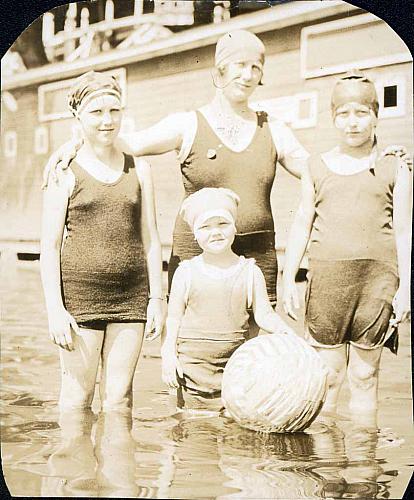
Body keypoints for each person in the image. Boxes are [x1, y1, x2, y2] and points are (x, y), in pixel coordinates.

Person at [43, 30, 310, 313]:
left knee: (254, 356)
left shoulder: (273, 129)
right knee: (192, 351)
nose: (247, 75)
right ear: (220, 70)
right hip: (196, 264)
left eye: (256, 67)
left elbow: (319, 174)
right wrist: (72, 145)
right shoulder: (187, 124)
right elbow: (123, 142)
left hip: (257, 263)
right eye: (240, 65)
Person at [282, 70, 412, 426]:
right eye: (344, 114)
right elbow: (301, 223)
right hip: (328, 280)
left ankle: (362, 470)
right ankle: (326, 466)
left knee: (365, 375)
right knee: (329, 374)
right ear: (333, 117)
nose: (352, 123)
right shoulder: (316, 165)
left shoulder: (396, 165)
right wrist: (287, 276)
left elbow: (404, 231)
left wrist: (406, 290)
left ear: (375, 115)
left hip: (378, 282)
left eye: (361, 113)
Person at [40, 71, 164, 412]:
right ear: (77, 116)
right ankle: (73, 466)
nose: (107, 121)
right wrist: (55, 310)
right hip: (80, 299)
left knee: (119, 399)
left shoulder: (140, 169)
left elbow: (151, 238)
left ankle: (118, 467)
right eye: (96, 112)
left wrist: (157, 299)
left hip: (131, 298)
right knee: (77, 399)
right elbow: (48, 248)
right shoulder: (63, 172)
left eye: (114, 110)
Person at [161, 188, 295, 412]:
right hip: (191, 371)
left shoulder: (250, 272)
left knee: (232, 431)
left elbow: (265, 315)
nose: (215, 233)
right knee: (192, 434)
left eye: (222, 224)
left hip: (235, 371)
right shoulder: (187, 272)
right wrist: (168, 356)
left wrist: (289, 335)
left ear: (235, 227)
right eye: (205, 226)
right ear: (194, 233)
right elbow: (173, 319)